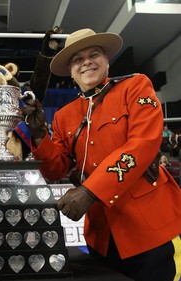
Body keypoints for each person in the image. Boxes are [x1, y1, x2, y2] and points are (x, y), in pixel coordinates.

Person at [22, 28, 181, 281]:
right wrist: (40, 133)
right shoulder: (64, 115)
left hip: (149, 229)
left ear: (106, 61)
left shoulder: (135, 86)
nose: (86, 62)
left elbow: (143, 144)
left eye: (93, 54)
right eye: (77, 59)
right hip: (101, 236)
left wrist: (89, 191)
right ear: (72, 72)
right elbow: (55, 169)